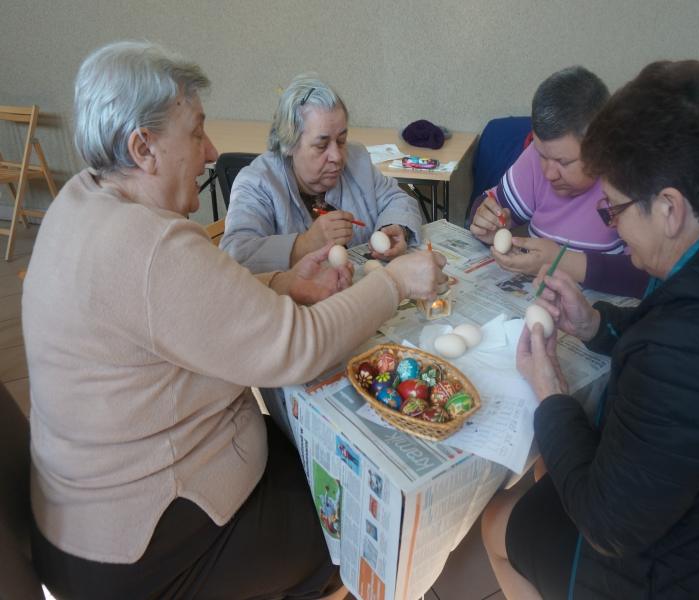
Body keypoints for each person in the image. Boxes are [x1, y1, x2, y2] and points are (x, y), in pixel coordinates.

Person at [22, 41, 445, 600]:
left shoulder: (82, 200)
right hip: (143, 545)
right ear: (142, 147)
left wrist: (284, 284)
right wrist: (392, 284)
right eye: (196, 132)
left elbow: (195, 305)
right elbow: (298, 346)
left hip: (85, 515)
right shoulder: (152, 246)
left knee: (311, 448)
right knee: (356, 511)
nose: (211, 151)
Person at [481, 59, 699, 599]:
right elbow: (681, 322)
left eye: (616, 211)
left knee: (497, 523)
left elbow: (608, 525)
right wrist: (597, 322)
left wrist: (550, 393)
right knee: (554, 472)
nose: (612, 226)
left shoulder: (684, 352)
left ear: (670, 208)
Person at [469, 66, 648, 298]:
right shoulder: (537, 159)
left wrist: (560, 261)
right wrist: (485, 220)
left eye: (563, 162)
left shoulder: (626, 180)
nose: (549, 172)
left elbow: (643, 277)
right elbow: (490, 204)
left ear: (602, 146)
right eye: (542, 154)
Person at [220, 73, 424, 274]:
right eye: (321, 145)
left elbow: (397, 199)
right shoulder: (257, 183)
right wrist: (305, 244)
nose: (337, 156)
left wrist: (395, 227)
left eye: (342, 140)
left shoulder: (357, 159)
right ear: (288, 144)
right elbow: (235, 255)